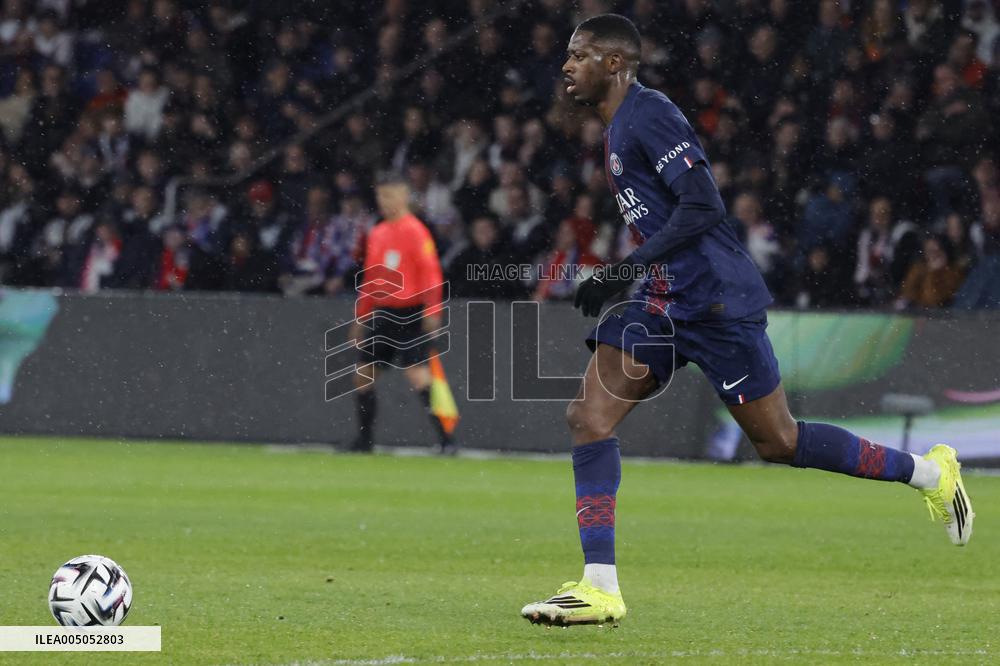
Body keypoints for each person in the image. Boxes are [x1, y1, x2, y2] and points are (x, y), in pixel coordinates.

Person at [520, 14, 975, 628]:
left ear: (615, 64)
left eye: (579, 55)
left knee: (779, 442)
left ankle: (930, 472)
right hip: (661, 302)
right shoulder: (615, 127)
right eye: (567, 55)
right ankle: (600, 587)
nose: (567, 65)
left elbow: (703, 205)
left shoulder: (649, 114)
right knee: (588, 415)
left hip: (714, 301)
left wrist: (623, 267)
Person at [345, 172, 455, 454]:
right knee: (362, 375)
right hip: (383, 314)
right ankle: (364, 440)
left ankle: (447, 440)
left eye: (390, 195)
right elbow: (370, 278)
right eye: (381, 195)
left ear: (405, 196)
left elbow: (431, 274)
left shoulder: (416, 231)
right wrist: (361, 316)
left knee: (418, 375)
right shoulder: (378, 232)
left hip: (411, 313)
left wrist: (433, 310)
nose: (385, 201)